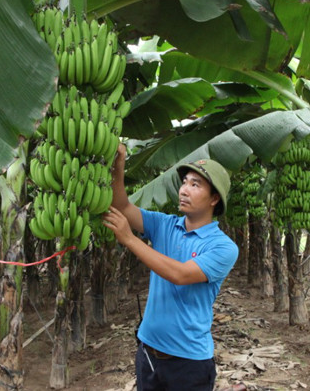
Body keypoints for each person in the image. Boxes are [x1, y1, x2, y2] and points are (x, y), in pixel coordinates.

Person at [102, 144, 239, 391]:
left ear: (214, 198)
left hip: (189, 363)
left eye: (195, 185)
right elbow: (123, 207)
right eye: (184, 182)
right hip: (148, 353)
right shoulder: (164, 225)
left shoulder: (223, 247)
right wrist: (118, 167)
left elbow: (180, 274)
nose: (184, 190)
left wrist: (130, 239)